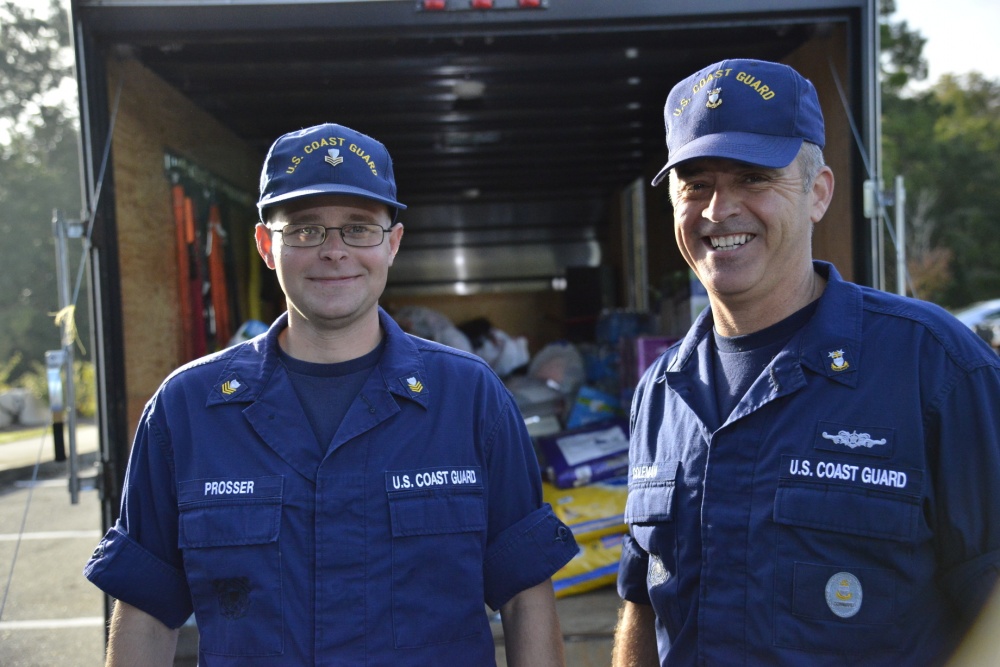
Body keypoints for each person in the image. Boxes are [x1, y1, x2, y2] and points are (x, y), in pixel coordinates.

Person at [83, 122, 579, 666]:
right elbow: (146, 613)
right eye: (304, 230)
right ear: (266, 246)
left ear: (393, 243)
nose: (334, 252)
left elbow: (525, 597)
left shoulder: (469, 398)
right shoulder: (188, 409)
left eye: (359, 228)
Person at [611, 59, 1000, 666]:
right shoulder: (662, 393)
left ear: (817, 193)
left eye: (753, 179)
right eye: (696, 184)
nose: (719, 209)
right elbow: (643, 602)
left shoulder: (936, 370)